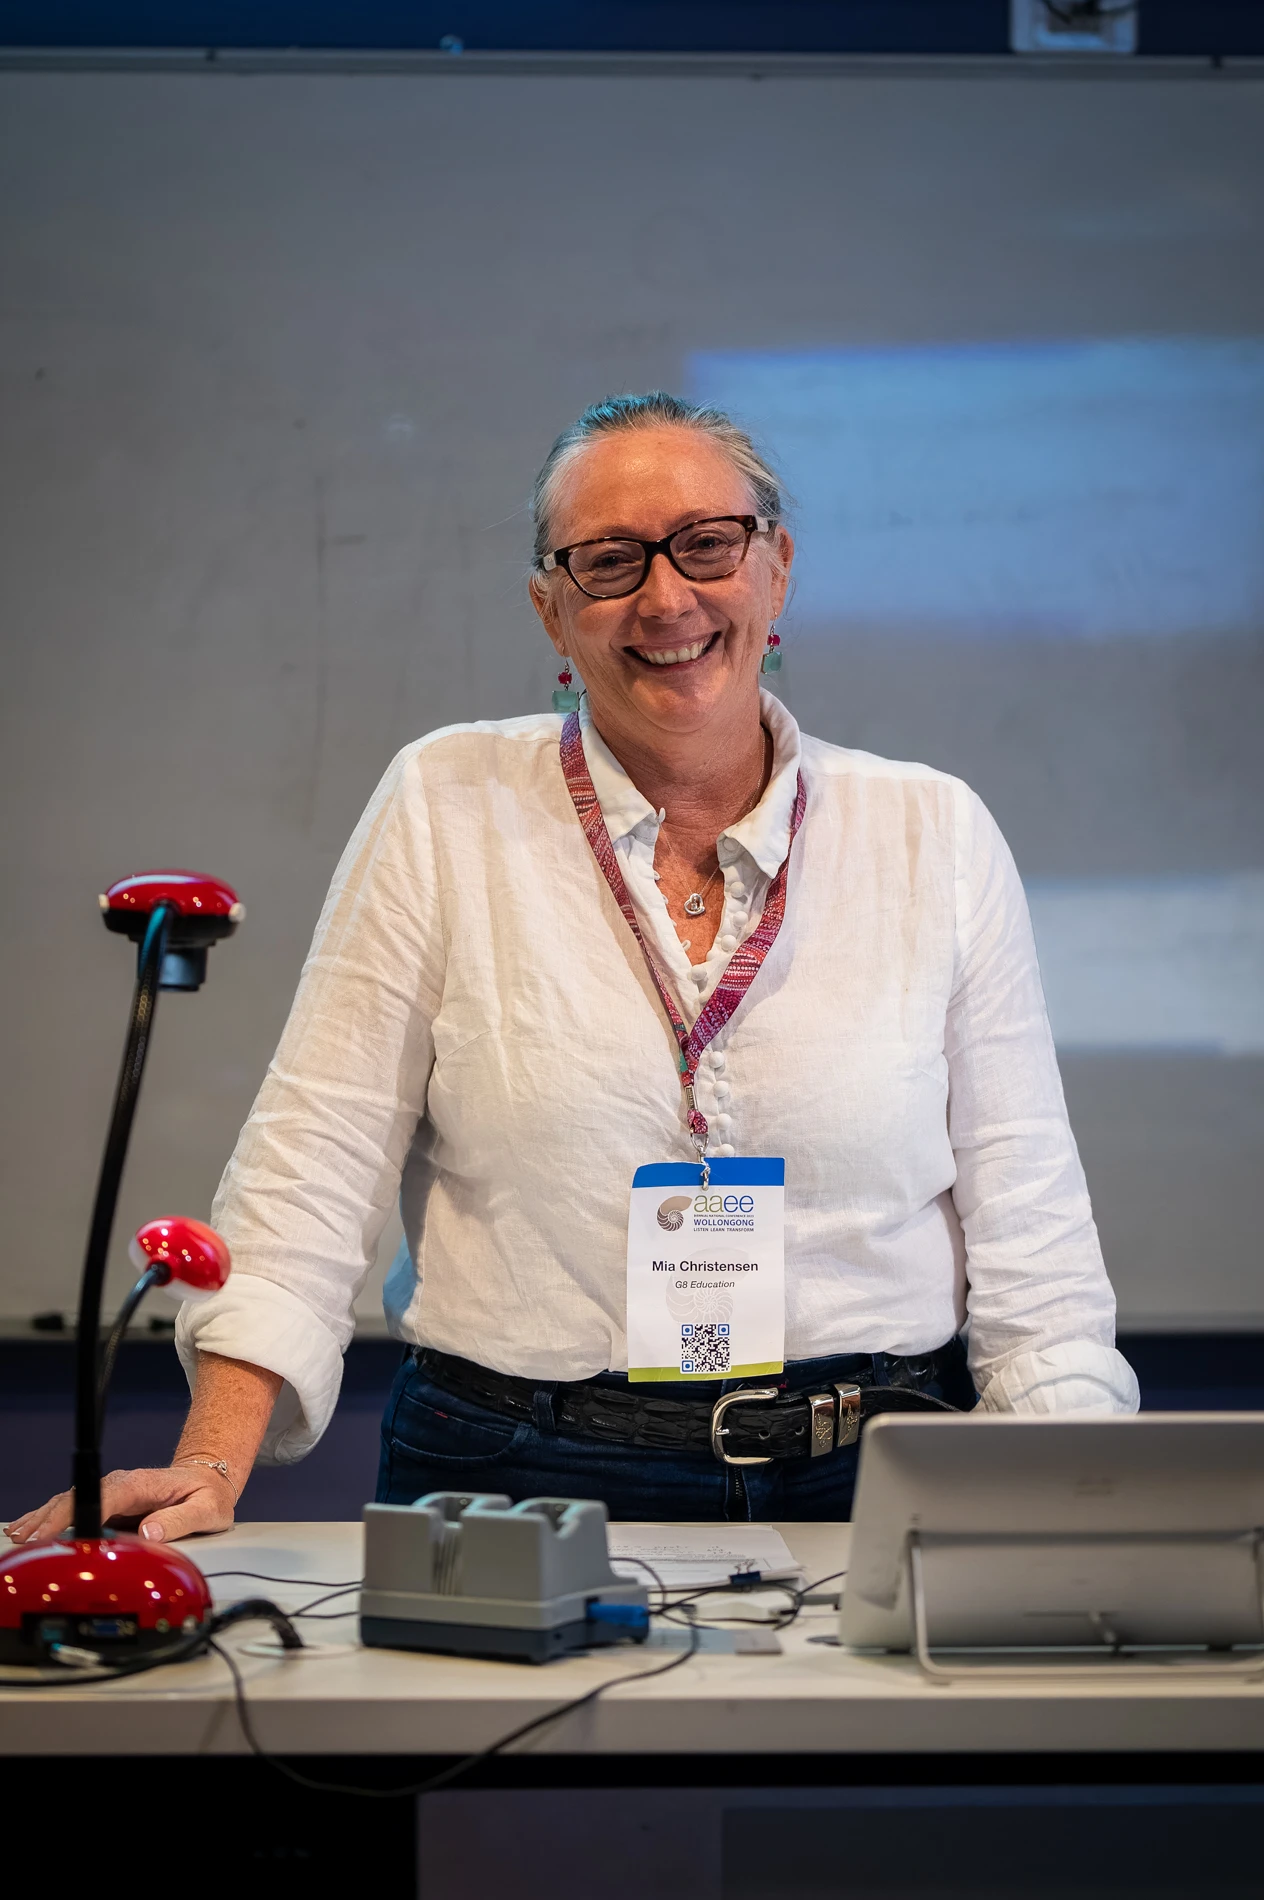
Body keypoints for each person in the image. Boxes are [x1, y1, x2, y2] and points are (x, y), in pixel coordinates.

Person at [8, 391, 1137, 1544]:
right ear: (551, 610)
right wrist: (209, 1462)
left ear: (777, 569)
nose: (665, 596)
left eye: (707, 543)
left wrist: (1081, 1501)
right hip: (515, 1468)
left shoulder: (930, 829)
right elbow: (316, 1154)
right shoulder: (445, 803)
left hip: (885, 1465)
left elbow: (1025, 1213)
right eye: (608, 562)